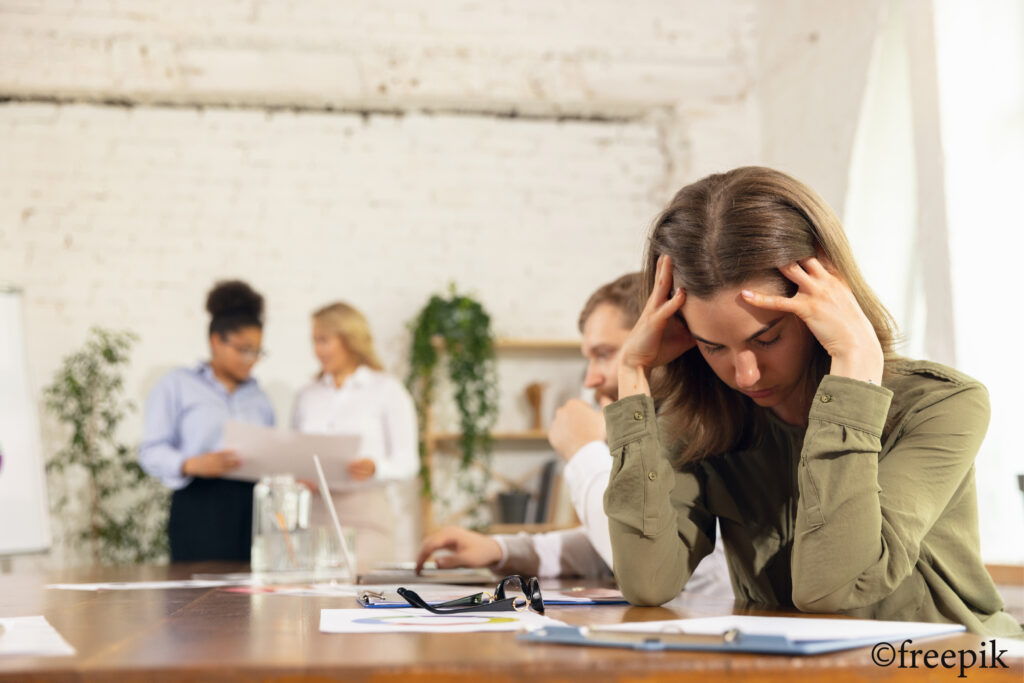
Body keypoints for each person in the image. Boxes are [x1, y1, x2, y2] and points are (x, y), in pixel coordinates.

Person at [605, 166, 1022, 635]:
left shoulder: (944, 406)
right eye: (713, 347)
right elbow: (646, 580)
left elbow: (831, 588)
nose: (745, 375)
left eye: (768, 338)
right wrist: (631, 374)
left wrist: (854, 366)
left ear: (824, 295)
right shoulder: (701, 422)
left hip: (958, 667)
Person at [417, 274, 731, 597]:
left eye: (604, 354)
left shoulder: (699, 430)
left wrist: (583, 451)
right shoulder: (655, 422)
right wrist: (501, 549)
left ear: (660, 339)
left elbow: (646, 561)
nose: (592, 378)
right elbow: (619, 536)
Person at [140, 280, 275, 562]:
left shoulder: (259, 397)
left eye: (257, 351)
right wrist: (192, 464)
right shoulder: (177, 384)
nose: (252, 360)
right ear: (216, 341)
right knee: (197, 599)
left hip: (251, 509)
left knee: (253, 597)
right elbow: (151, 450)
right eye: (244, 349)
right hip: (200, 504)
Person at [291, 302, 418, 569]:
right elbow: (298, 452)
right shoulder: (307, 396)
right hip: (315, 513)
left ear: (349, 338)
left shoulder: (387, 390)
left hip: (366, 513)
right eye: (314, 341)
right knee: (309, 598)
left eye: (324, 340)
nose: (317, 350)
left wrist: (375, 468)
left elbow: (409, 462)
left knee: (359, 594)